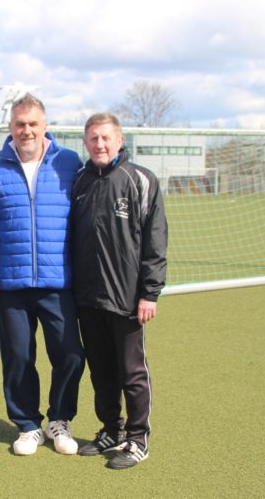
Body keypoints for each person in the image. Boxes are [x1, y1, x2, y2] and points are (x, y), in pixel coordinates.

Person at [0, 93, 85, 456]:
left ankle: (60, 420)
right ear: (10, 127)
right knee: (18, 358)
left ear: (45, 127)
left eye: (33, 124)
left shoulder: (70, 163)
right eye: (20, 124)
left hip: (60, 282)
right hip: (11, 283)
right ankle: (27, 425)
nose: (27, 130)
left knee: (71, 354)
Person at [70, 113, 168, 470]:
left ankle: (138, 438)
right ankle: (112, 429)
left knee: (132, 372)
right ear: (86, 142)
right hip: (88, 298)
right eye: (93, 138)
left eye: (106, 138)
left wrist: (150, 293)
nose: (100, 144)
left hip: (127, 298)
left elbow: (155, 241)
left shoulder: (140, 180)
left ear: (120, 139)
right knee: (100, 371)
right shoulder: (79, 182)